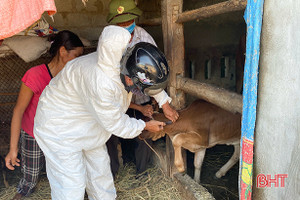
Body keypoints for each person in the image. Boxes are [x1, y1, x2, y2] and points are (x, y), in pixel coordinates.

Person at [33, 25, 169, 200]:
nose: (139, 91)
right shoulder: (102, 82)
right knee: (71, 185)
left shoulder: (123, 62)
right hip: (59, 128)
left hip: (86, 122)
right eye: (139, 87)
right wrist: (144, 125)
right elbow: (116, 123)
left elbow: (147, 79)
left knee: (100, 173)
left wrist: (164, 102)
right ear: (130, 78)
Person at [5, 30, 84, 200]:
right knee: (31, 175)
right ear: (63, 52)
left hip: (58, 133)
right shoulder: (35, 75)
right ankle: (23, 191)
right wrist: (13, 149)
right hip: (34, 133)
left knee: (66, 171)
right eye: (76, 56)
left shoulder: (71, 77)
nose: (78, 61)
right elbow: (18, 111)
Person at [106, 0, 179, 176]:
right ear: (113, 24)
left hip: (141, 98)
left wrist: (164, 104)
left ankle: (141, 173)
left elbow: (151, 76)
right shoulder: (108, 43)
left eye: (128, 22)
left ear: (135, 19)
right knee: (112, 137)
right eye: (120, 23)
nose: (125, 27)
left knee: (144, 136)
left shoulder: (144, 38)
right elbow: (109, 85)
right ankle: (113, 175)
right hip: (117, 99)